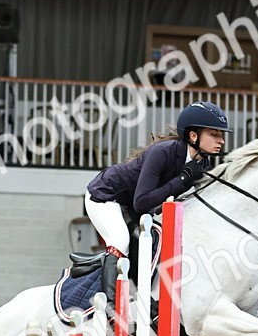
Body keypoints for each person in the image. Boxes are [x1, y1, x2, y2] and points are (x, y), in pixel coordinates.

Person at [83, 100, 230, 311]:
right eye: (214, 135)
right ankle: (111, 308)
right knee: (121, 240)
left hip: (132, 205)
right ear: (193, 136)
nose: (221, 141)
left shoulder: (203, 164)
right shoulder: (162, 152)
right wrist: (181, 180)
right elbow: (142, 202)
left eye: (221, 135)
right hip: (107, 195)